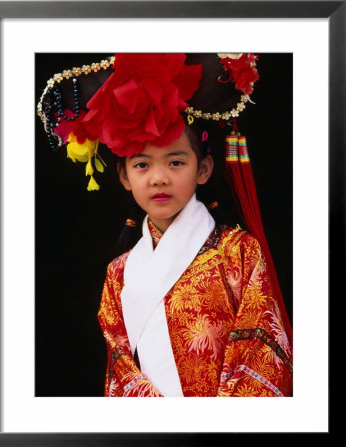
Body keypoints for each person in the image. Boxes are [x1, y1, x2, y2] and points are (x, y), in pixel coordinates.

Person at [37, 53, 293, 397]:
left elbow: (263, 350)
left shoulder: (239, 252)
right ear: (124, 176)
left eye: (175, 161)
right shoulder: (118, 273)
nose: (159, 178)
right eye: (142, 165)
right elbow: (121, 369)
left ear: (203, 169)